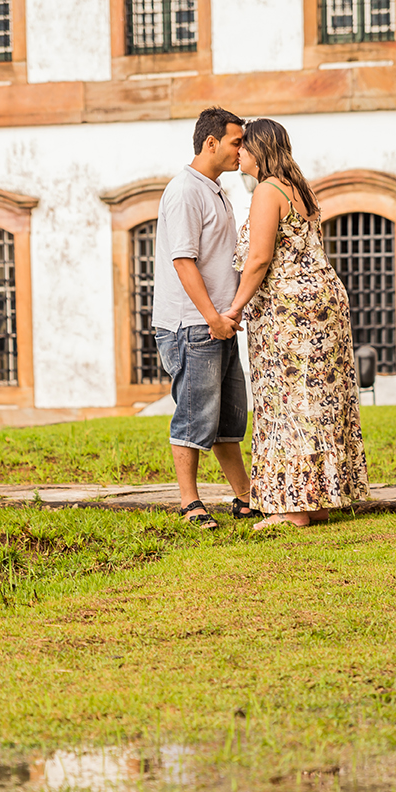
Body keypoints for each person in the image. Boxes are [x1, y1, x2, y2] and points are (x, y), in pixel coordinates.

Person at [225, 118, 369, 529]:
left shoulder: (267, 191)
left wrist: (235, 307)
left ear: (259, 150)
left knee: (289, 400)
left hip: (290, 309)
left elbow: (258, 259)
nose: (239, 154)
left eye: (244, 147)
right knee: (319, 397)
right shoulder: (298, 187)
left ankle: (295, 508)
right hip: (323, 300)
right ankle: (318, 498)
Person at [153, 107, 259, 530]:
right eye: (236, 141)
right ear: (210, 142)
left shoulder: (214, 190)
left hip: (219, 323)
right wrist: (212, 316)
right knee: (195, 415)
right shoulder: (184, 191)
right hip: (192, 324)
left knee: (229, 418)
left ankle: (245, 497)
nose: (242, 150)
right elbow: (182, 261)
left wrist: (226, 315)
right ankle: (189, 502)